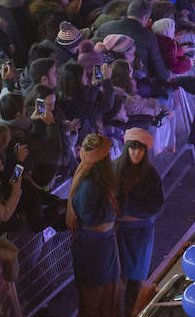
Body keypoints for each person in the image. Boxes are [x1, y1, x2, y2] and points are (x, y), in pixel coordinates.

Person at [68, 134, 123, 316]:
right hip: (93, 249)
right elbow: (90, 217)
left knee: (108, 293)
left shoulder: (98, 182)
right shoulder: (88, 185)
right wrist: (111, 210)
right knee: (95, 297)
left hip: (103, 245)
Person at [115, 128, 164, 313]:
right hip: (118, 231)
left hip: (140, 234)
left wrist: (132, 213)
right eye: (133, 148)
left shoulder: (151, 175)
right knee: (115, 276)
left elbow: (158, 205)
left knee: (135, 277)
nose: (136, 153)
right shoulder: (114, 169)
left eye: (140, 149)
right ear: (126, 148)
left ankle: (132, 312)